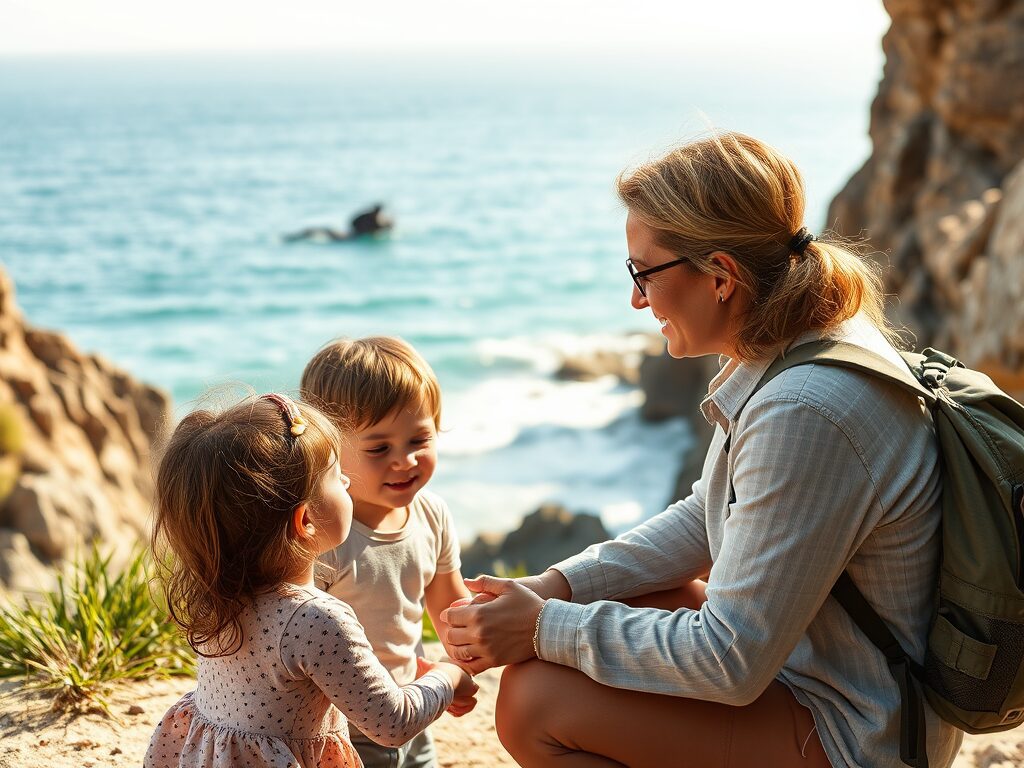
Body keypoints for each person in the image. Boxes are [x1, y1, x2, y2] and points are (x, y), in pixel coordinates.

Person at [441, 132, 965, 767]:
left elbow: (731, 660)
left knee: (534, 701)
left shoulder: (804, 409)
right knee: (620, 606)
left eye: (643, 272)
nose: (636, 298)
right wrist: (556, 587)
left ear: (721, 274)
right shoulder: (804, 338)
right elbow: (704, 514)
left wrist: (542, 628)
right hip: (828, 676)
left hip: (861, 732)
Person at [144, 393, 476, 768]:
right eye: (337, 476)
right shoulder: (315, 619)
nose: (348, 480)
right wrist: (447, 677)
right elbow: (392, 723)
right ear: (305, 521)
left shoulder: (220, 592)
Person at [301, 337, 472, 768]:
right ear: (329, 450)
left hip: (410, 713)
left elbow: (453, 611)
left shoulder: (431, 515)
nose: (405, 461)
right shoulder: (324, 535)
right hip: (337, 728)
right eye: (380, 449)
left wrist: (462, 664)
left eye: (420, 439)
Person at [283, 203, 393, 243]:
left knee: (314, 232)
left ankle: (291, 239)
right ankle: (292, 238)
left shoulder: (371, 220)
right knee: (315, 232)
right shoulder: (373, 221)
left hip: (346, 237)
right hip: (347, 237)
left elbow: (352, 221)